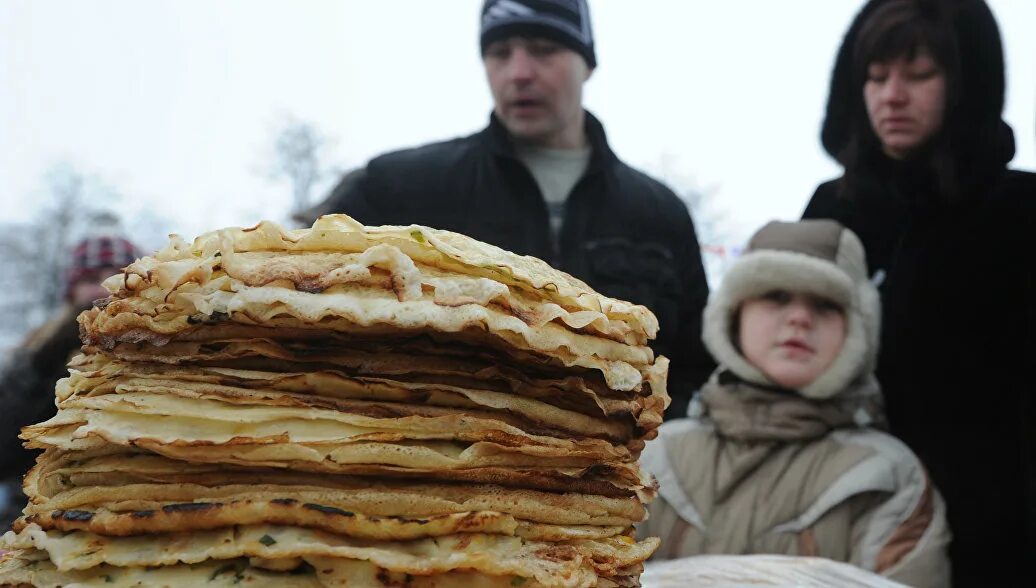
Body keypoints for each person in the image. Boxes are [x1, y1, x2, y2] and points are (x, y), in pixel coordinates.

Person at [303, 0, 714, 418]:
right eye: (500, 53)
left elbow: (693, 362)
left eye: (543, 49)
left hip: (609, 470)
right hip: (433, 461)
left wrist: (644, 441)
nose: (518, 72)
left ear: (587, 63)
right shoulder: (399, 186)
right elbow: (306, 298)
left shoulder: (660, 212)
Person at [801, 0, 1035, 583]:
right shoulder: (831, 209)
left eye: (919, 74)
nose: (892, 96)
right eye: (876, 78)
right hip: (844, 510)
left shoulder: (1021, 212)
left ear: (966, 84)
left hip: (996, 530)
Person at [639, 219, 951, 587]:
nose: (800, 317)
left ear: (857, 330)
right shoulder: (653, 455)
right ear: (733, 314)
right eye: (776, 295)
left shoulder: (890, 477)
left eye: (825, 304)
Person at [0, 234, 140, 528]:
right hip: (35, 514)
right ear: (72, 289)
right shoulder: (33, 352)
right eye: (90, 278)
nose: (102, 286)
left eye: (116, 275)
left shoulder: (164, 346)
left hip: (135, 507)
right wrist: (49, 361)